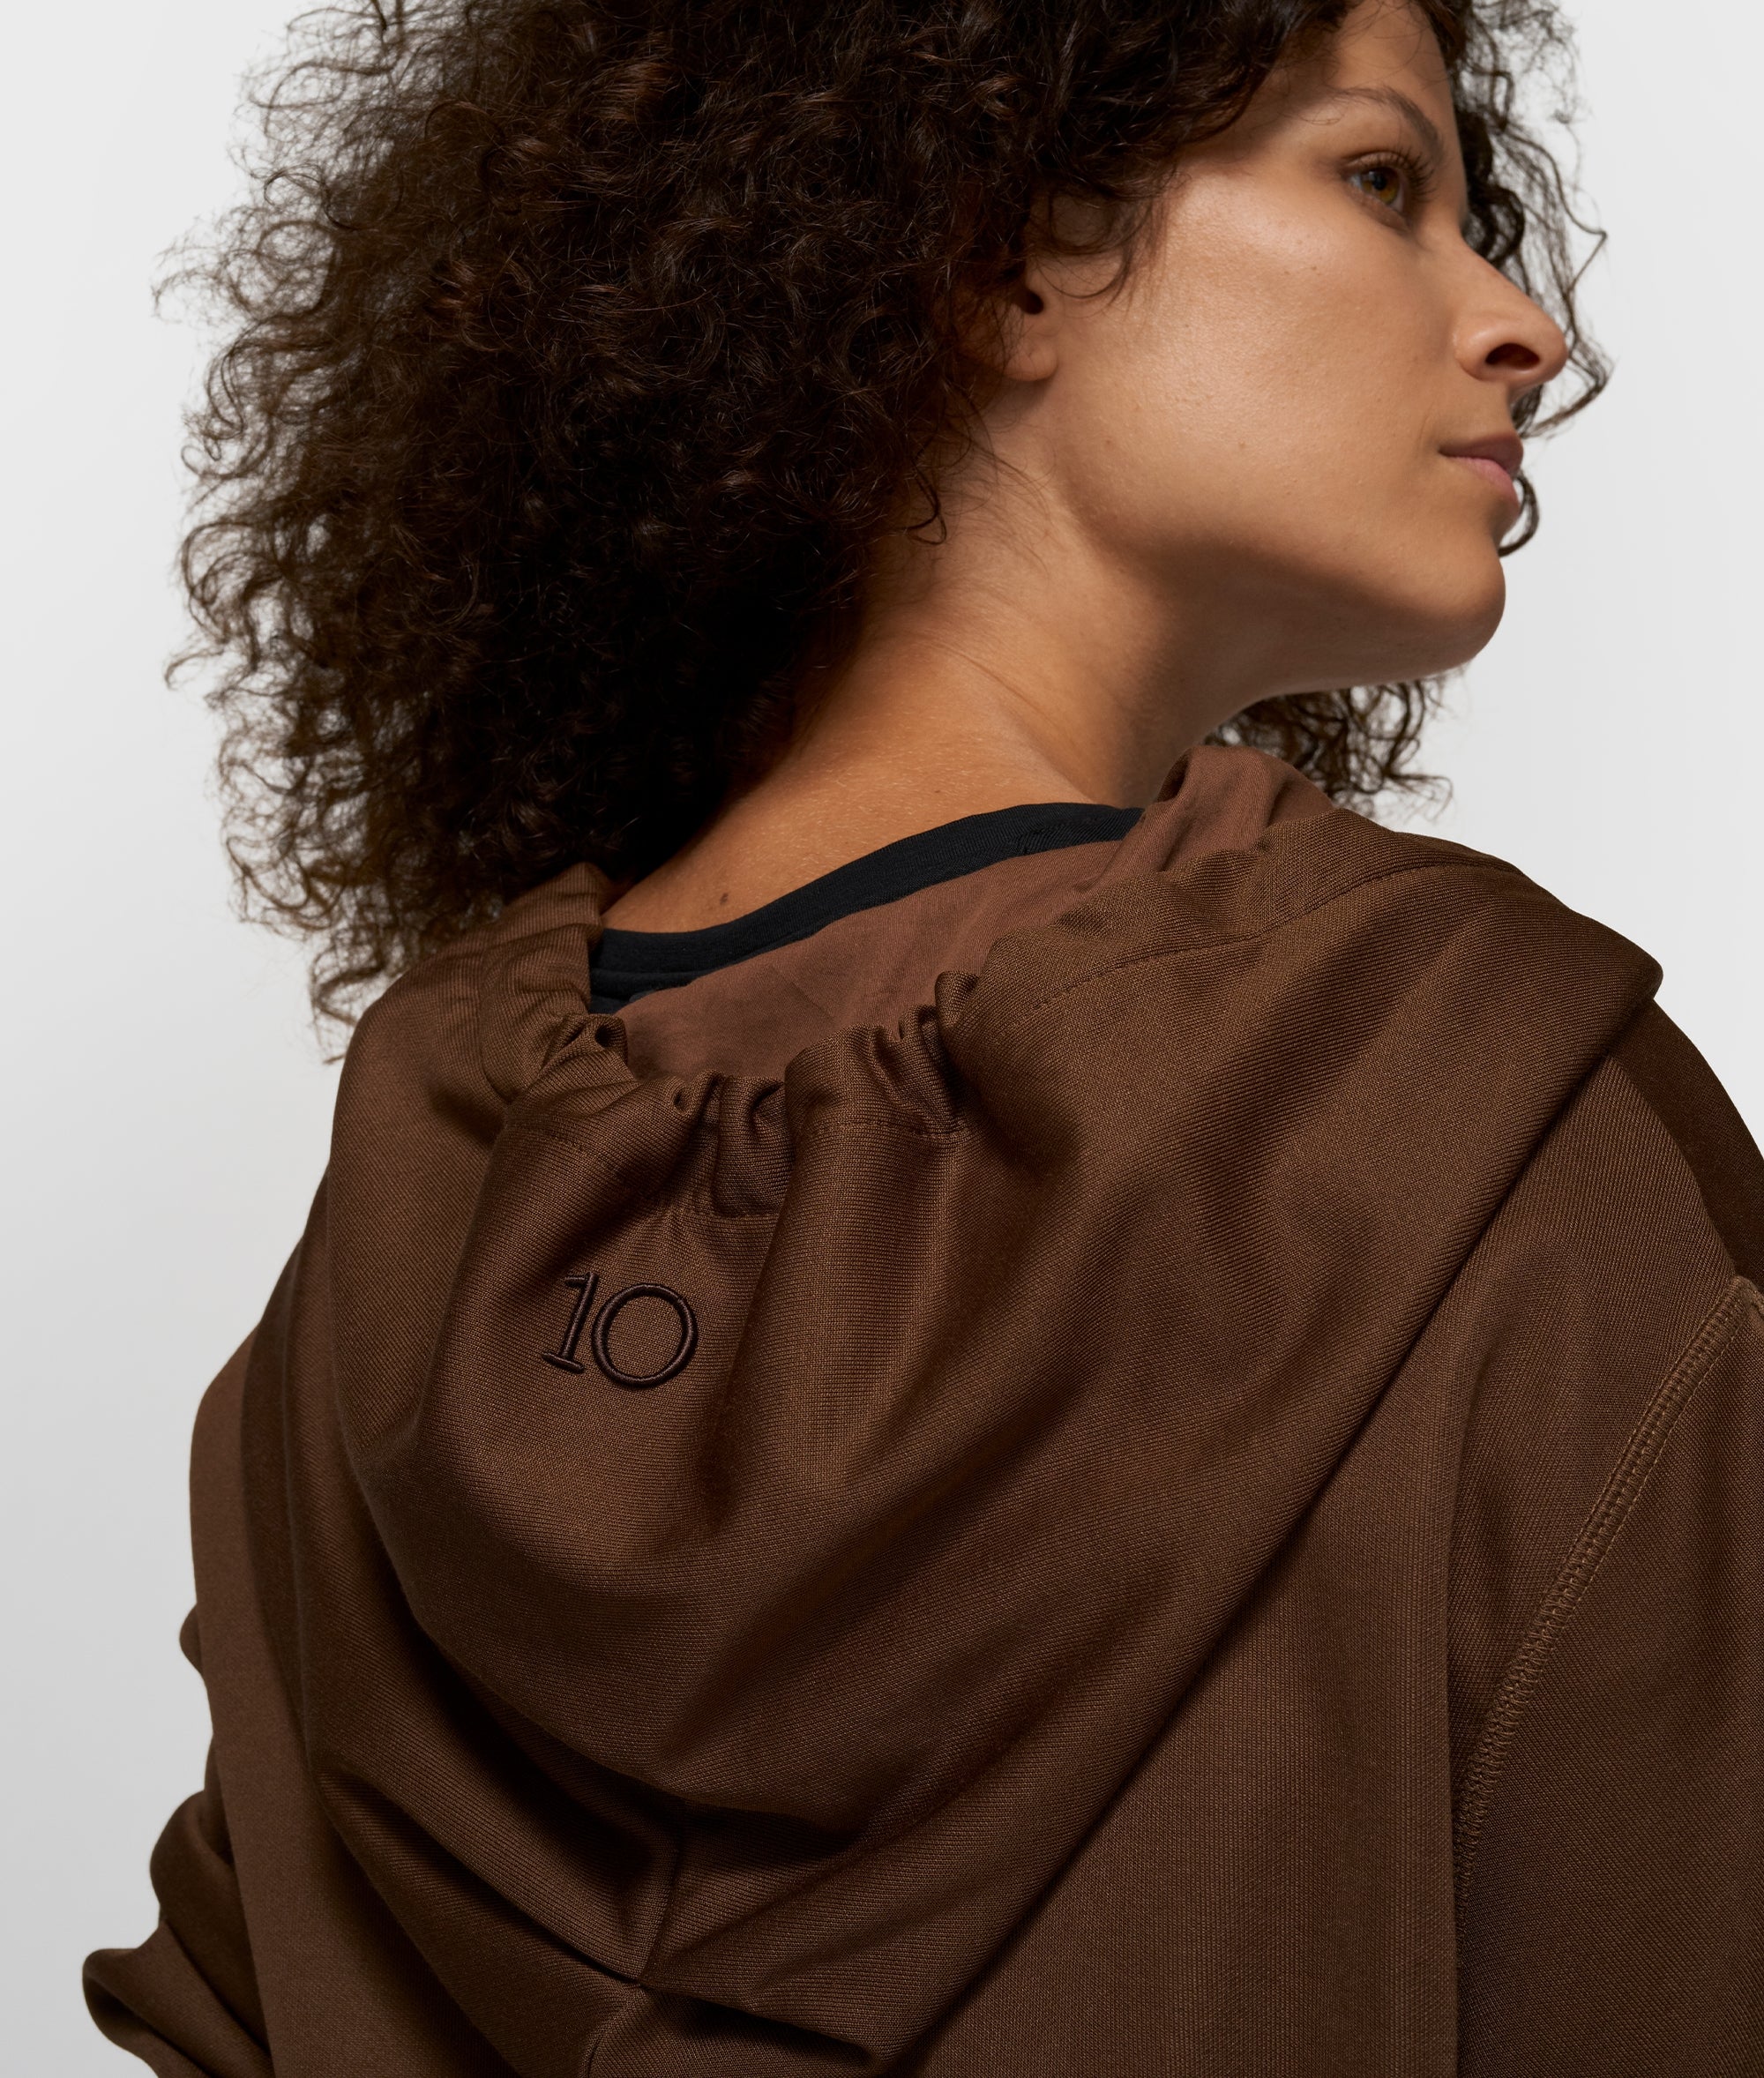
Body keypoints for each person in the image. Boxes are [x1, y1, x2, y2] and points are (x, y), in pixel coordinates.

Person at [86, 0, 1762, 2070]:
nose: (1522, 326)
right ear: (997, 258)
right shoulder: (1494, 1135)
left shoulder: (369, 1301)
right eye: (1377, 179)